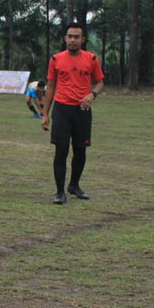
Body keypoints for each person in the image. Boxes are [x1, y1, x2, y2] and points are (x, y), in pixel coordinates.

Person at [41, 22, 104, 205]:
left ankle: (74, 186)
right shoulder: (55, 59)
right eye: (70, 36)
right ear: (65, 39)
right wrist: (45, 114)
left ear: (83, 40)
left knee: (80, 150)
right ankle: (60, 192)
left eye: (77, 37)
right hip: (62, 109)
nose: (73, 40)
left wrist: (92, 94)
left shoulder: (92, 59)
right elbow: (51, 86)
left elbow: (100, 82)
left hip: (82, 110)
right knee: (61, 151)